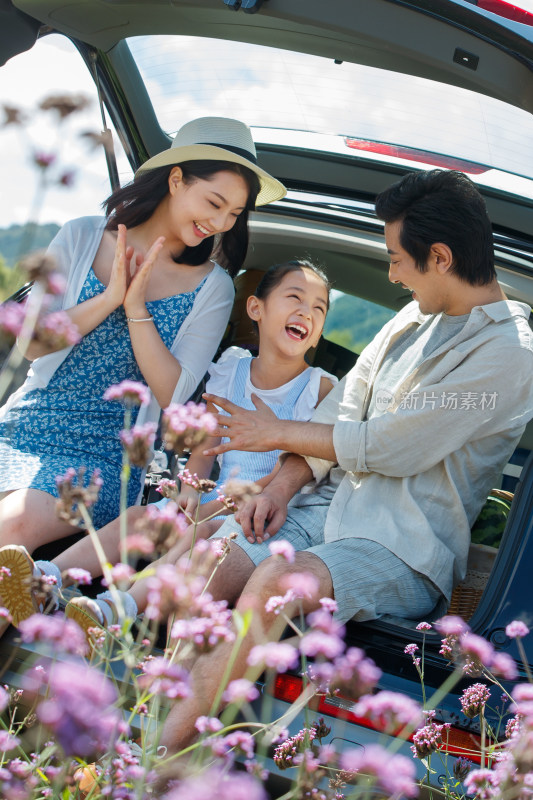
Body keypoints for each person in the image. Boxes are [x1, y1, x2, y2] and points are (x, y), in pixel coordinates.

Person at [152, 168, 533, 753]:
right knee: (207, 566)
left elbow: (394, 445)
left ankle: (150, 769)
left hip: (403, 545)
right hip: (327, 509)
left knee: (277, 581)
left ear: (439, 257)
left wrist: (274, 431)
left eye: (396, 260)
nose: (391, 274)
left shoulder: (510, 354)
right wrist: (280, 484)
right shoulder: (410, 319)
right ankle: (155, 718)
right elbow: (344, 412)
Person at [0, 116, 286, 561]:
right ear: (176, 180)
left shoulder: (213, 287)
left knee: (12, 523)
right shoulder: (80, 236)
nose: (220, 222)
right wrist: (111, 296)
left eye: (233, 214)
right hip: (23, 424)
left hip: (106, 453)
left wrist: (136, 310)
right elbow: (33, 344)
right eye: (214, 202)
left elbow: (172, 394)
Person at [0, 258, 337, 630]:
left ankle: (113, 609)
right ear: (255, 308)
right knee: (139, 518)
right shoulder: (232, 367)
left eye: (319, 309)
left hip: (263, 508)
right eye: (295, 298)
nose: (306, 313)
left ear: (319, 332)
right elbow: (207, 444)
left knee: (194, 537)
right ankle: (45, 579)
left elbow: (294, 465)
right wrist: (189, 489)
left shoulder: (319, 387)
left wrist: (218, 507)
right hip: (217, 493)